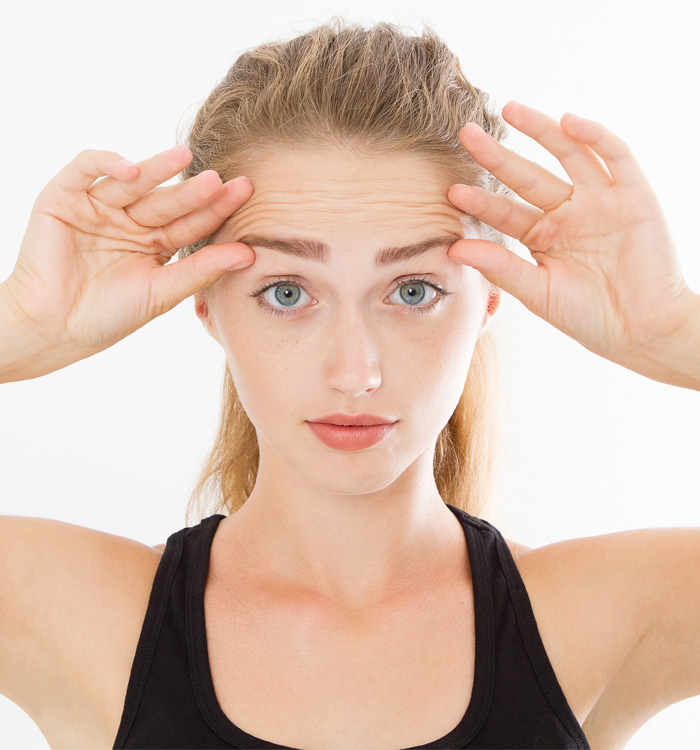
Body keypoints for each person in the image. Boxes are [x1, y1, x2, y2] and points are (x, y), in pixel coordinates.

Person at [1, 16, 699, 750]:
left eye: (413, 291)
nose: (355, 373)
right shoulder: (77, 612)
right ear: (205, 307)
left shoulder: (607, 612)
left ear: (488, 303)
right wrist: (21, 326)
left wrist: (675, 331)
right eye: (288, 292)